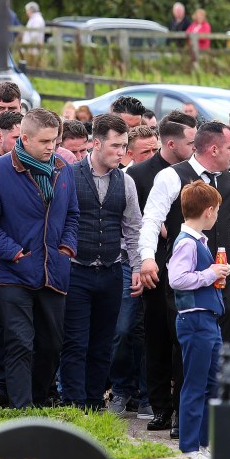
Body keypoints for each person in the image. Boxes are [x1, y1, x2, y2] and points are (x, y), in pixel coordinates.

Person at [0, 108, 79, 409]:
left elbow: (72, 214)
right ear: (26, 138)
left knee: (52, 343)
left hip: (53, 269)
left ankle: (39, 399)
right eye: (45, 141)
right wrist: (15, 253)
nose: (51, 147)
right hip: (12, 273)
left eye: (55, 141)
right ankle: (22, 409)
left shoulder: (62, 168)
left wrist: (66, 248)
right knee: (19, 341)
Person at [137, 121, 230, 438]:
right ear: (214, 149)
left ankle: (211, 411)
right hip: (184, 271)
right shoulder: (171, 176)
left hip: (224, 273)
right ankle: (180, 412)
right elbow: (151, 219)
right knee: (185, 344)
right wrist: (147, 257)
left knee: (220, 345)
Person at [120, 111, 197, 428]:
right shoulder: (138, 174)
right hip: (155, 266)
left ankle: (181, 408)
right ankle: (160, 405)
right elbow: (133, 224)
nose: (195, 147)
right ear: (172, 142)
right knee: (155, 338)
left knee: (183, 340)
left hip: (187, 266)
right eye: (190, 141)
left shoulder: (195, 172)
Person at [60, 114, 142, 410]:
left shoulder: (126, 182)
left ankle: (94, 402)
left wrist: (136, 267)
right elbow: (58, 223)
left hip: (110, 270)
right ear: (96, 143)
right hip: (76, 270)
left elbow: (133, 229)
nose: (122, 152)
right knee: (75, 342)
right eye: (116, 146)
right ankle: (73, 402)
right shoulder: (68, 174)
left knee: (103, 342)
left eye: (124, 146)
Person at [170, 180, 230, 459]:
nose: (217, 215)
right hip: (195, 320)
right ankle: (190, 446)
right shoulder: (187, 243)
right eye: (217, 210)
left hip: (207, 320)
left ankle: (201, 443)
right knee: (195, 384)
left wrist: (214, 273)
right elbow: (177, 279)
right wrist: (210, 274)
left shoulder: (198, 242)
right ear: (208, 211)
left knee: (209, 383)